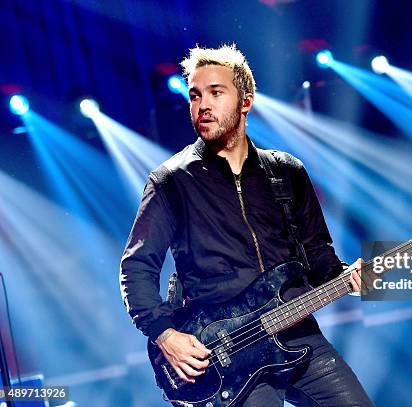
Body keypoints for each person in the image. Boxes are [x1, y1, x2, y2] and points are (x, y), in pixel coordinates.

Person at [119, 44, 373, 406]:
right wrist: (165, 334)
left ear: (245, 101)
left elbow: (318, 255)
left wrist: (348, 277)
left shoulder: (286, 172)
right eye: (194, 95)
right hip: (224, 351)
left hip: (296, 332)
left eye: (215, 92)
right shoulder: (172, 181)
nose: (202, 104)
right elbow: (136, 267)